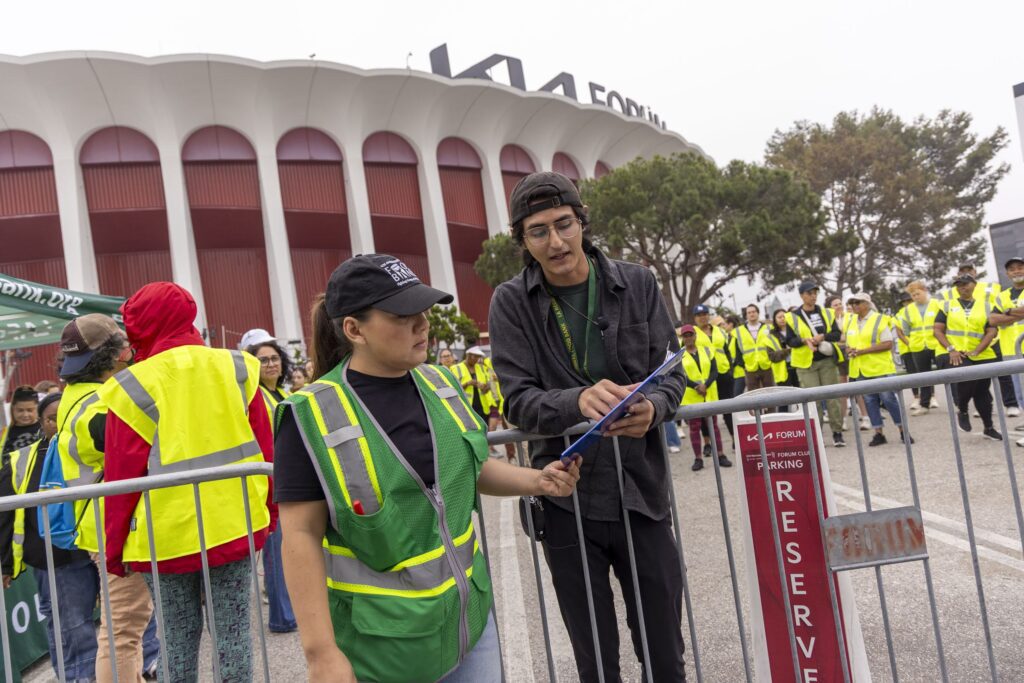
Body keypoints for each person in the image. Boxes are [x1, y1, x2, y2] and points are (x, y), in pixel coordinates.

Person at [273, 253, 580, 683]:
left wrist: (539, 480)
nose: (422, 324)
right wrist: (321, 653)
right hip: (381, 651)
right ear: (353, 329)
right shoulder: (311, 415)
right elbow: (300, 535)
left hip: (468, 626)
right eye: (402, 314)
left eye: (423, 311)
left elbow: (469, 469)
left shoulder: (442, 385)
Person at [489, 172, 687, 681]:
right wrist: (576, 399)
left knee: (665, 651)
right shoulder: (511, 303)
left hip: (642, 491)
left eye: (564, 224)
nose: (555, 242)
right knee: (595, 660)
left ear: (582, 222)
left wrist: (655, 408)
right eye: (538, 231)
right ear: (523, 239)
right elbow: (518, 401)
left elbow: (672, 373)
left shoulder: (637, 282)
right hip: (566, 498)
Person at [100, 282, 276, 682]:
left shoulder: (132, 386)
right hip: (236, 523)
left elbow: (121, 478)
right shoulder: (237, 366)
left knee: (176, 642)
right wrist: (270, 511)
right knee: (233, 636)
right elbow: (266, 450)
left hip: (167, 537)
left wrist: (115, 551)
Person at [57, 314, 160, 683]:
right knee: (123, 630)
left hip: (108, 525)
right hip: (116, 527)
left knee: (125, 627)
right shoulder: (98, 401)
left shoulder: (77, 395)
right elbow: (114, 438)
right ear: (118, 353)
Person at [1, 392, 100, 682]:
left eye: (62, 415)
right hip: (56, 561)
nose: (57, 423)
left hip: (98, 550)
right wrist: (6, 564)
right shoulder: (23, 460)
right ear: (41, 423)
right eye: (50, 418)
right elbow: (5, 514)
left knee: (120, 621)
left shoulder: (90, 447)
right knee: (71, 628)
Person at [241, 328, 299, 635]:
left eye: (275, 358)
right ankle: (282, 615)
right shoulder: (252, 396)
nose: (271, 364)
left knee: (289, 550)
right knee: (276, 552)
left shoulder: (284, 393)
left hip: (288, 478)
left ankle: (290, 609)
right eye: (262, 360)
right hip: (271, 483)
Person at [933, 274, 1002, 440]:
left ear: (974, 285)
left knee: (982, 392)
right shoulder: (946, 305)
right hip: (952, 352)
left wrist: (978, 350)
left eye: (965, 284)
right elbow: (937, 330)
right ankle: (962, 408)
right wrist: (951, 349)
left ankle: (988, 427)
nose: (962, 287)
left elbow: (991, 331)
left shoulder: (987, 306)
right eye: (959, 285)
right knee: (967, 376)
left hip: (980, 353)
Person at [942, 263, 1017, 413]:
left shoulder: (992, 287)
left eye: (969, 270)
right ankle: (982, 406)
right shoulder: (950, 293)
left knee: (1003, 373)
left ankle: (1011, 404)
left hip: (994, 336)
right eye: (962, 271)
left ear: (975, 272)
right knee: (979, 379)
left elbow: (1002, 305)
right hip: (972, 341)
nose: (966, 273)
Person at [843, 293, 913, 446]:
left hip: (881, 368)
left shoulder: (880, 319)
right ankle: (878, 433)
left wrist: (862, 351)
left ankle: (903, 431)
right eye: (852, 303)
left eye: (857, 302)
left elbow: (887, 343)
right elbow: (847, 343)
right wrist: (849, 350)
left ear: (867, 304)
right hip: (861, 369)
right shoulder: (850, 321)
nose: (854, 305)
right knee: (869, 401)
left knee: (889, 399)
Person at [786, 282, 845, 446]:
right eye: (809, 293)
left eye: (815, 293)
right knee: (813, 401)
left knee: (832, 397)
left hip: (826, 361)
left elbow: (836, 334)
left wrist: (822, 336)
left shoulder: (826, 312)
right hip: (806, 365)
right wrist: (804, 340)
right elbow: (789, 341)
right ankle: (816, 435)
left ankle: (837, 433)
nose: (813, 296)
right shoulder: (792, 316)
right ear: (802, 295)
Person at [678, 325, 731, 471]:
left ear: (695, 336)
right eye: (686, 335)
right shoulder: (679, 356)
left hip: (708, 394)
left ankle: (721, 454)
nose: (689, 338)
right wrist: (696, 386)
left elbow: (714, 371)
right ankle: (698, 458)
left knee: (713, 427)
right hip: (692, 397)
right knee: (694, 429)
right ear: (683, 338)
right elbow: (681, 375)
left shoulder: (707, 350)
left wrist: (705, 385)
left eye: (691, 335)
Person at [989, 255, 1024, 445]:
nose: (1017, 271)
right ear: (1007, 273)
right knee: (1021, 394)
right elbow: (993, 320)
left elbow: (1001, 316)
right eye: (1013, 269)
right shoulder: (1002, 296)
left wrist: (1008, 312)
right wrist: (1016, 313)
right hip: (1011, 350)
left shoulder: (1005, 302)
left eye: (1020, 267)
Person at [694, 305, 736, 446]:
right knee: (706, 411)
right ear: (695, 318)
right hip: (706, 377)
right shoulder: (692, 333)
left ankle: (734, 439)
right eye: (699, 315)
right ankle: (707, 443)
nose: (703, 317)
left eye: (705, 314)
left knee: (728, 408)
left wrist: (730, 368)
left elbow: (727, 351)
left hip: (723, 374)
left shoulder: (719, 331)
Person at [902, 281, 943, 415]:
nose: (916, 297)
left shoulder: (937, 304)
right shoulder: (908, 310)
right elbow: (906, 330)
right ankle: (924, 405)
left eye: (918, 294)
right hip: (918, 347)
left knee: (947, 373)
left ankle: (959, 403)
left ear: (925, 291)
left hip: (937, 344)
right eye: (913, 295)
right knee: (923, 377)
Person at [451, 346, 497, 425]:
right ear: (468, 355)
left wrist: (485, 387)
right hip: (466, 408)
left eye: (478, 357)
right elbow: (453, 389)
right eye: (474, 357)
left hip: (482, 408)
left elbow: (487, 388)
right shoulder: (456, 368)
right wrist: (468, 383)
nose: (476, 360)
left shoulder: (481, 368)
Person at [735, 304, 776, 392]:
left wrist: (771, 360)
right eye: (749, 312)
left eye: (753, 312)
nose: (751, 314)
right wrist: (743, 364)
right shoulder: (739, 331)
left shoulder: (768, 328)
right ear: (746, 315)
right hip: (750, 368)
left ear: (758, 313)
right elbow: (737, 350)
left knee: (770, 394)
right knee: (753, 396)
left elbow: (774, 346)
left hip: (767, 366)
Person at [892, 291, 920, 406]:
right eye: (905, 302)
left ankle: (931, 397)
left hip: (921, 346)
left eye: (909, 301)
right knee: (912, 374)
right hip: (907, 348)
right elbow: (899, 333)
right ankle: (916, 397)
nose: (907, 303)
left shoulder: (919, 311)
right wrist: (910, 344)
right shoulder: (899, 314)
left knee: (924, 372)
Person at [2, 385, 40, 464]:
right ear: (13, 409)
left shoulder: (44, 430)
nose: (25, 415)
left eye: (30, 410)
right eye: (20, 410)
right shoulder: (4, 434)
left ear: (37, 408)